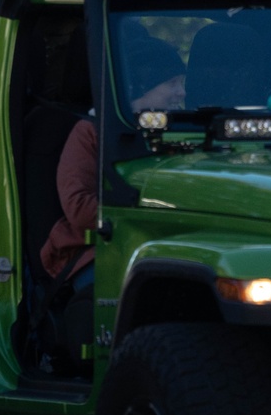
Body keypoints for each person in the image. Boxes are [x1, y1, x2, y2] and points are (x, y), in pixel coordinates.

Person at [40, 35, 186, 284]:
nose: (181, 92)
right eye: (172, 83)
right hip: (98, 248)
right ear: (141, 85)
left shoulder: (189, 131)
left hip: (173, 248)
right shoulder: (91, 131)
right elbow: (78, 206)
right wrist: (149, 217)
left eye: (182, 83)